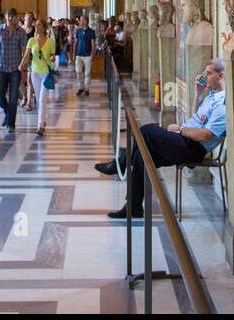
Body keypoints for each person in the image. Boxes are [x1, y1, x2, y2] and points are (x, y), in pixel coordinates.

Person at [96, 60, 226, 218]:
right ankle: (133, 207)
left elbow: (206, 134)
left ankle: (119, 164)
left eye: (209, 73)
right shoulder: (211, 96)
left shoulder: (222, 103)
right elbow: (197, 118)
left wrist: (180, 129)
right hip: (184, 139)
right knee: (140, 156)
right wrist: (198, 95)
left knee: (147, 131)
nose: (205, 76)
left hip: (193, 148)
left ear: (220, 76)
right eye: (205, 72)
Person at [0, 7, 28, 133]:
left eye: (15, 17)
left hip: (15, 68)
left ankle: (11, 123)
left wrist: (23, 66)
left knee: (13, 97)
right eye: (11, 16)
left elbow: (23, 50)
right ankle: (7, 112)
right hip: (1, 67)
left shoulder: (21, 32)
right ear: (7, 17)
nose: (13, 19)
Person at [22, 19, 57, 136]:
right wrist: (22, 64)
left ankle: (40, 125)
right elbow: (27, 55)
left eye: (39, 25)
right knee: (38, 99)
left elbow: (53, 56)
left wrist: (52, 58)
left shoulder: (50, 42)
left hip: (46, 73)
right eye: (36, 25)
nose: (37, 27)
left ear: (44, 27)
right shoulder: (31, 41)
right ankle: (42, 121)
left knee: (42, 99)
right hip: (34, 73)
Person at [73, 13, 96, 96]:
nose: (80, 21)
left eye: (81, 20)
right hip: (79, 54)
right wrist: (74, 53)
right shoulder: (78, 31)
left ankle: (87, 88)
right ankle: (80, 87)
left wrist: (92, 54)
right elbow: (75, 42)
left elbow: (93, 43)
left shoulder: (91, 32)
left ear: (86, 21)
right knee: (78, 71)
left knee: (87, 73)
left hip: (87, 55)